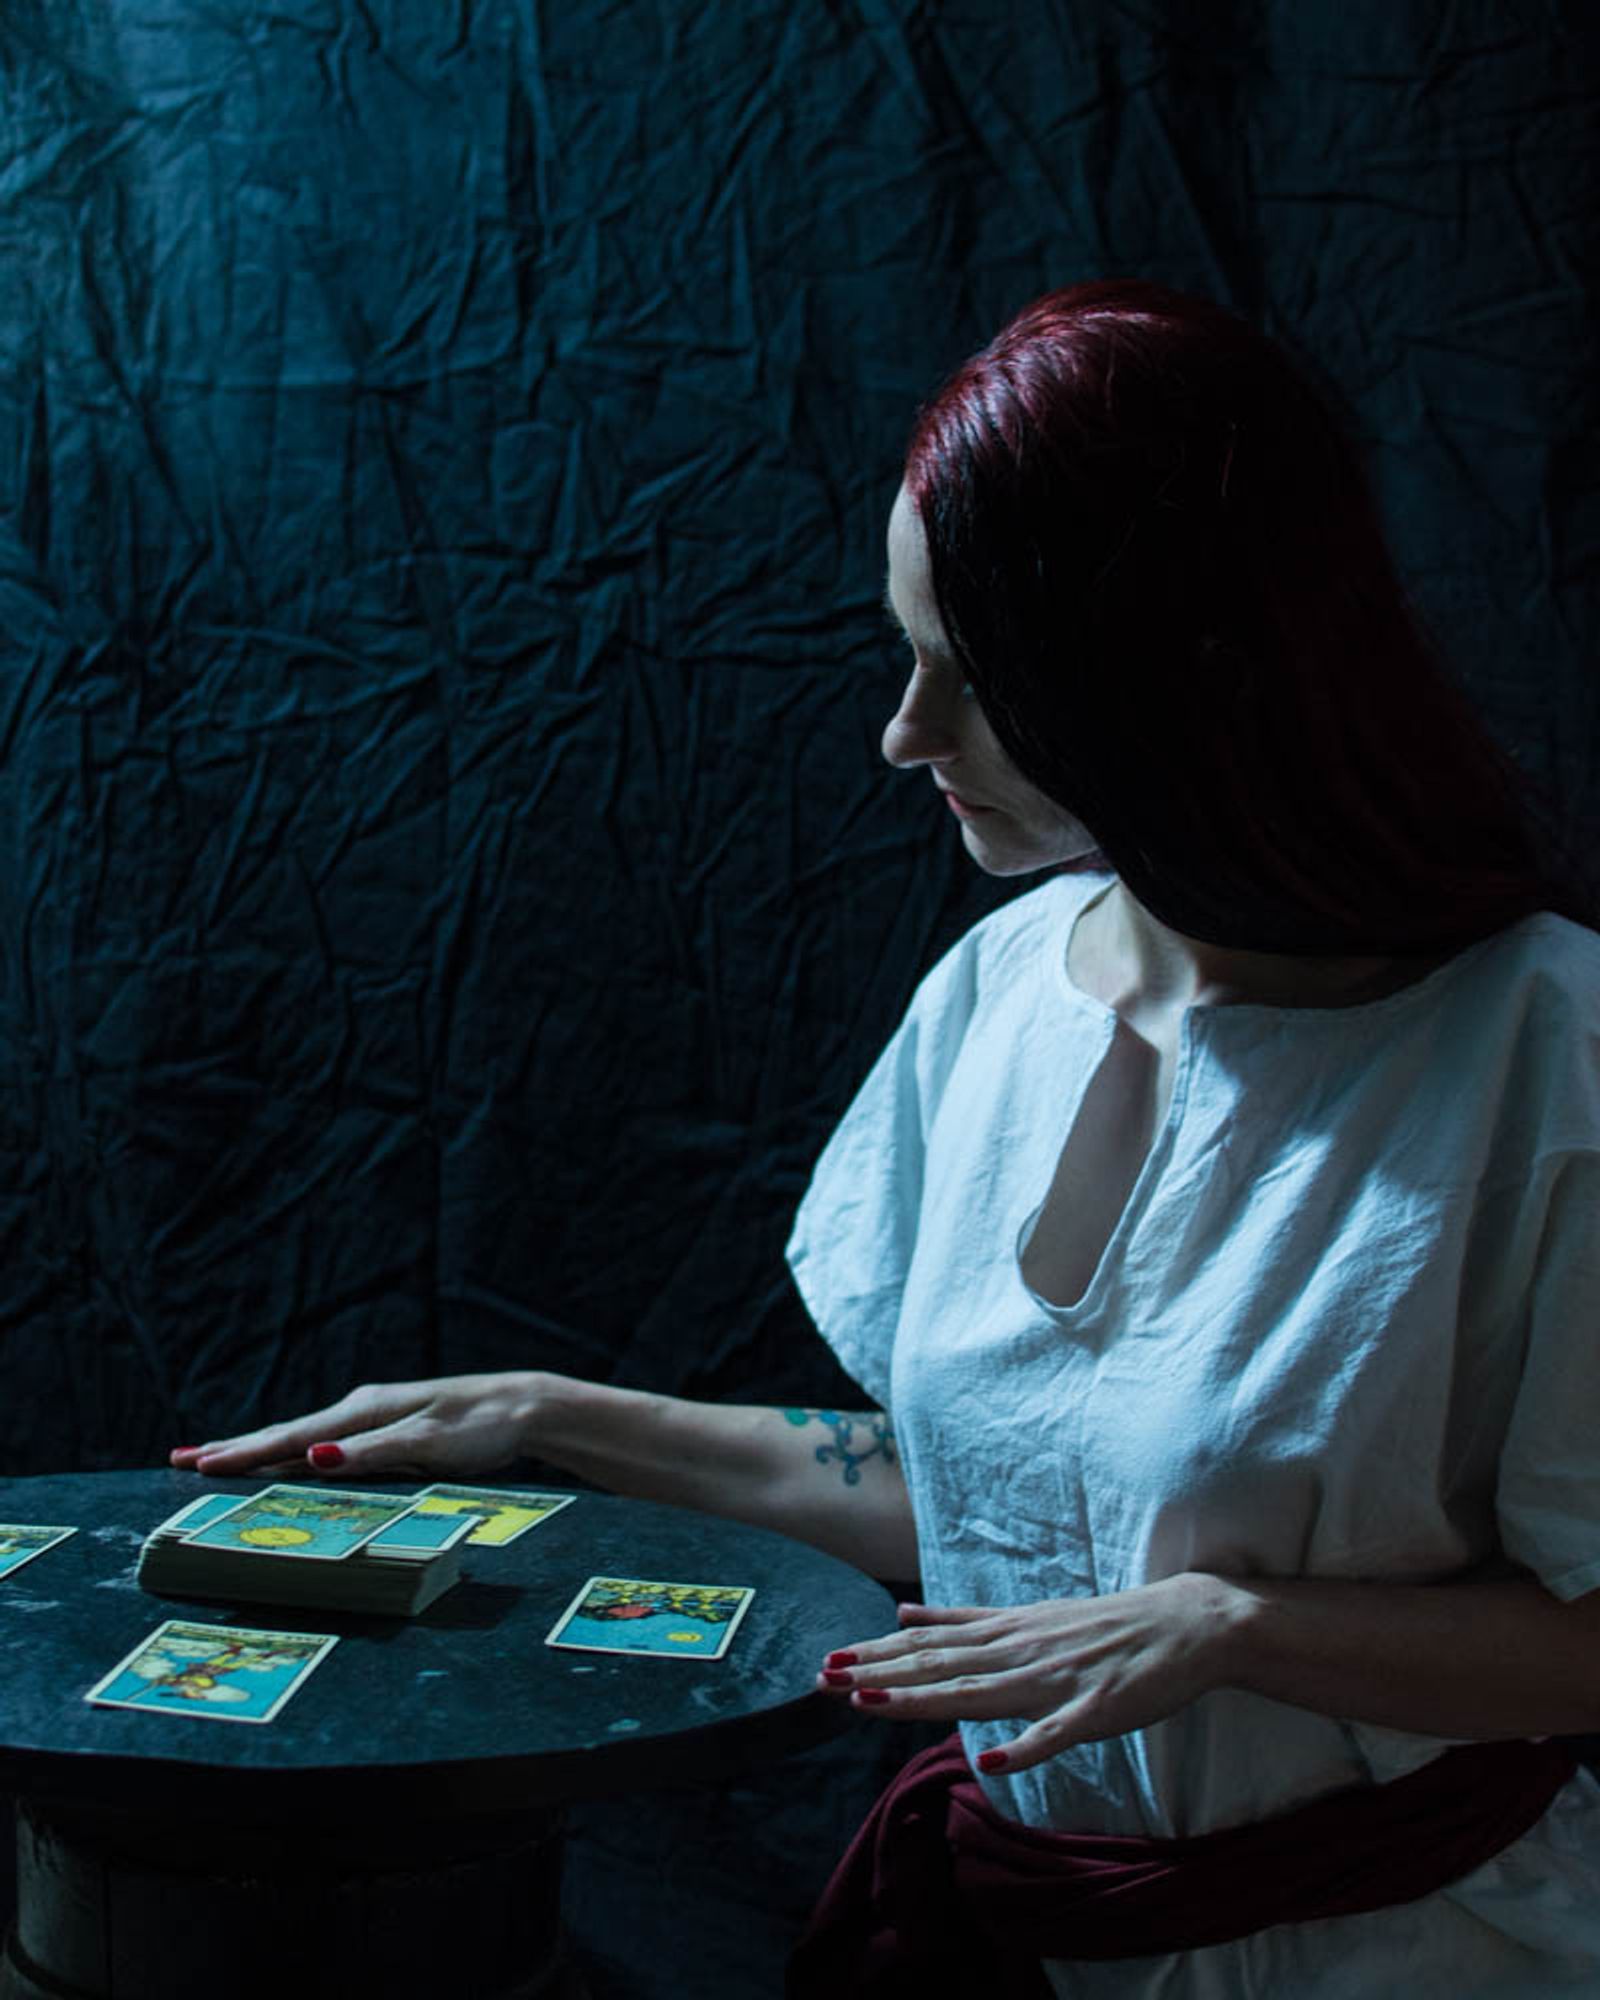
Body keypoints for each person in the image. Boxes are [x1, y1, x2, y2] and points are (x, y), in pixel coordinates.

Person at [171, 280, 1600, 1996]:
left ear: (1190, 677)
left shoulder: (1544, 1054)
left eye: (973, 680)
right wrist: (547, 1418)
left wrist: (1245, 1631)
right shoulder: (999, 991)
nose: (903, 735)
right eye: (907, 653)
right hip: (1022, 1946)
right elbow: (996, 1502)